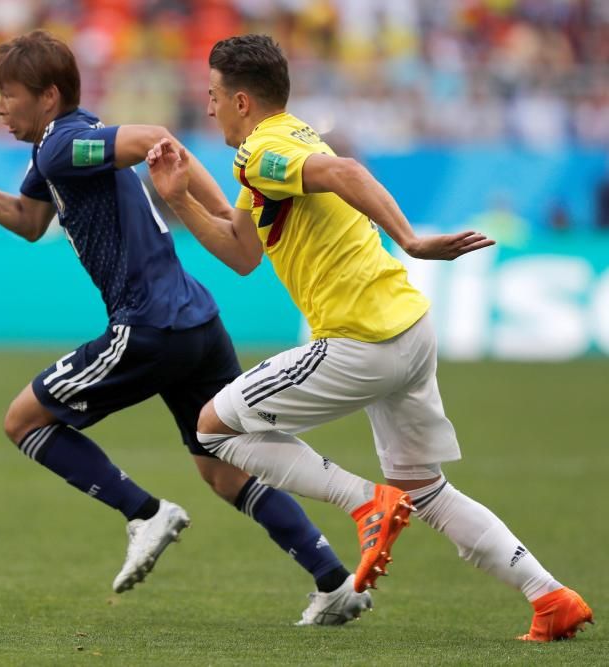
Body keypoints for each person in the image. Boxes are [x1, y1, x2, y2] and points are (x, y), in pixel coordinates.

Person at [146, 33, 593, 641]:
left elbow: (346, 171)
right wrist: (180, 201)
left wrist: (409, 239)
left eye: (214, 95)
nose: (208, 107)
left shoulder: (261, 152)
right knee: (425, 489)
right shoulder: (289, 142)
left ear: (243, 101)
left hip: (361, 340)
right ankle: (550, 596)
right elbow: (243, 252)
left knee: (212, 428)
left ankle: (365, 502)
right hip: (407, 328)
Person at [0, 30, 372, 625]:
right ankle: (335, 581)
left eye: (9, 95)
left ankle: (144, 511)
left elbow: (157, 140)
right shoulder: (60, 150)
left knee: (23, 421)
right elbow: (29, 221)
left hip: (149, 325)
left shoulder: (63, 146)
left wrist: (214, 212)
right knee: (221, 467)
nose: (0, 108)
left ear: (48, 96)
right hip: (196, 322)